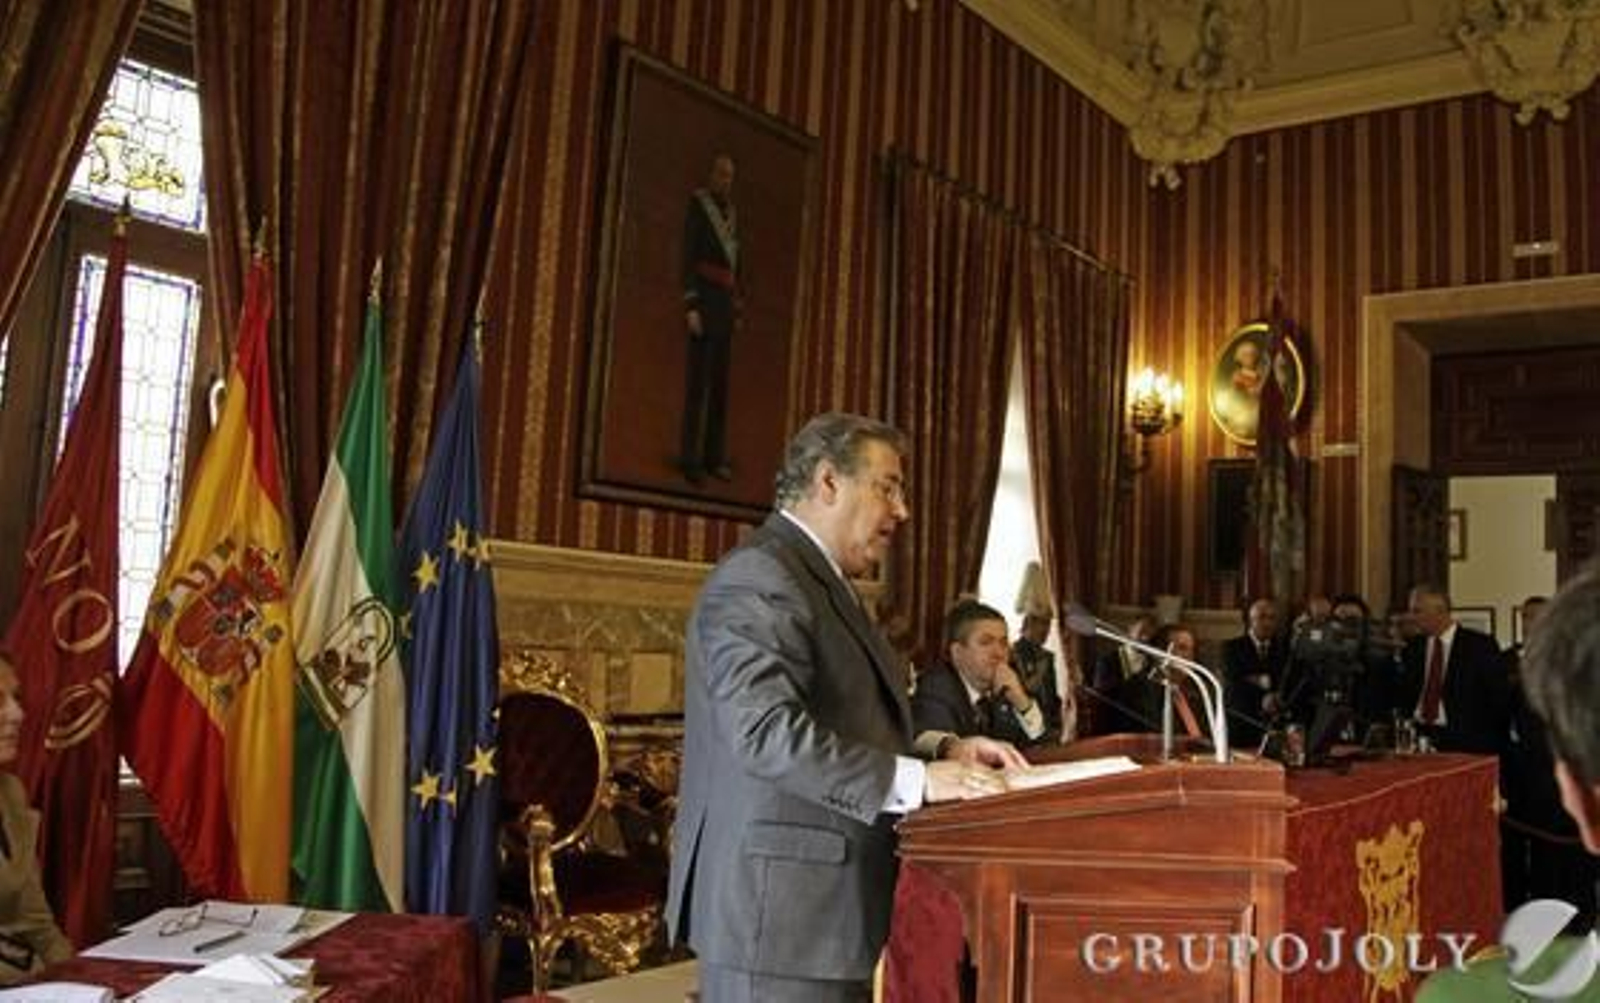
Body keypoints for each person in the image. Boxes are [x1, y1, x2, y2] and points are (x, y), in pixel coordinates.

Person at [666, 412, 1026, 1002]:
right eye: (888, 487)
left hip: (821, 915)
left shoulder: (820, 580)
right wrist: (920, 780)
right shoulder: (761, 575)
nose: (902, 511)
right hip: (778, 918)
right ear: (828, 482)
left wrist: (946, 748)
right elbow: (764, 733)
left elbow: (851, 717)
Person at [1417, 571, 1600, 1001]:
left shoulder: (1459, 994)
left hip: (1558, 787)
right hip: (1526, 783)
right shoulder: (1501, 661)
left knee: (1567, 873)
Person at [0, 650, 72, 984]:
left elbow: (37, 921)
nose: (18, 714)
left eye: (14, 698)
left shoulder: (10, 792)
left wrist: (79, 977)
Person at [912, 600, 1050, 751]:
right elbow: (929, 741)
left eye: (1003, 643)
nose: (999, 653)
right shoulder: (936, 687)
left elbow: (1044, 744)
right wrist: (953, 746)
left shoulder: (1008, 683)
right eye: (985, 642)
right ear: (957, 653)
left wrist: (1021, 700)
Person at [679, 152, 741, 486]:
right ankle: (691, 461)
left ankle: (713, 459)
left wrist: (737, 306)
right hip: (703, 300)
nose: (724, 180)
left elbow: (736, 266)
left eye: (729, 176)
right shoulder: (698, 205)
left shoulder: (732, 213)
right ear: (711, 174)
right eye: (720, 173)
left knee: (720, 388)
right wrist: (691, 305)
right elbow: (688, 254)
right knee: (697, 388)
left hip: (724, 307)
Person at [1397, 584, 1510, 755]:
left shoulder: (1480, 645)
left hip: (1467, 742)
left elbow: (1499, 698)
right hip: (1419, 740)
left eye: (1417, 611)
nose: (1411, 617)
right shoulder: (1413, 647)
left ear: (1440, 611)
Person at [1220, 597, 1286, 747]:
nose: (1267, 623)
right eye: (1262, 617)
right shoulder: (1232, 647)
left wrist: (1255, 679)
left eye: (1272, 618)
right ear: (1251, 620)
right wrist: (1262, 696)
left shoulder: (1283, 649)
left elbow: (1283, 681)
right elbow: (1233, 682)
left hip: (1270, 722)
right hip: (1240, 719)